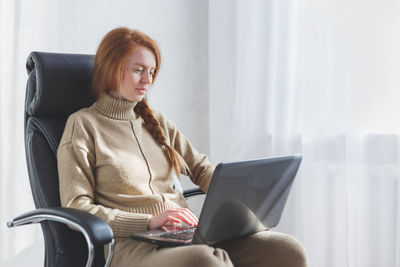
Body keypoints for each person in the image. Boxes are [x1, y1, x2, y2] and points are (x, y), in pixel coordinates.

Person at [57, 27, 308, 267]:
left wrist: (246, 211)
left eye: (152, 71)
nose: (148, 79)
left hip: (188, 236)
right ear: (111, 69)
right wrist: (149, 221)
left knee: (287, 250)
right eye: (139, 70)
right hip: (134, 247)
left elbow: (201, 168)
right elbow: (76, 205)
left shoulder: (157, 121)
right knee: (205, 261)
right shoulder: (83, 125)